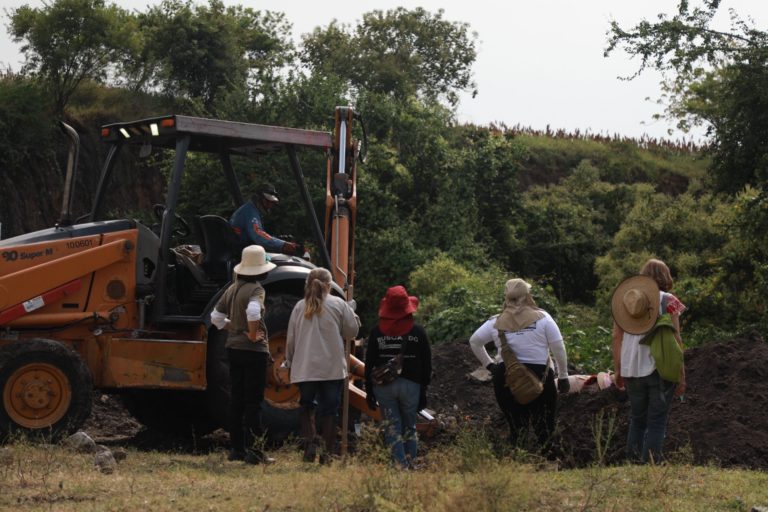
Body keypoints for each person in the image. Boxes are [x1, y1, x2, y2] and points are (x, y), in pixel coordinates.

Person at [469, 278, 569, 450]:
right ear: (527, 295)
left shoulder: (495, 322)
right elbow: (558, 347)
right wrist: (563, 376)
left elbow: (475, 341)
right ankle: (546, 460)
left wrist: (490, 365)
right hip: (541, 375)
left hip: (506, 376)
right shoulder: (544, 318)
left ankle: (518, 462)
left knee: (517, 426)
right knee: (544, 426)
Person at [611, 258, 686, 464]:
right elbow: (676, 338)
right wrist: (681, 375)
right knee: (656, 421)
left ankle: (632, 463)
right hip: (659, 368)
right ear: (666, 277)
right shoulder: (668, 300)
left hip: (631, 369)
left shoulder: (626, 300)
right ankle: (649, 466)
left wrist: (618, 369)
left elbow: (616, 336)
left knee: (637, 420)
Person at [284, 268, 359, 463]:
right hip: (331, 368)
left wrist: (289, 361)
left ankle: (309, 446)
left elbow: (290, 339)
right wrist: (350, 310)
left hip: (305, 368)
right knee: (330, 411)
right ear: (329, 285)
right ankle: (327, 453)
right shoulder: (338, 304)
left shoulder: (300, 307)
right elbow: (352, 332)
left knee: (307, 406)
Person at [210, 245, 276, 465]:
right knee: (254, 402)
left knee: (236, 401)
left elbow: (216, 318)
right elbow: (253, 311)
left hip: (233, 349)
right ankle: (255, 453)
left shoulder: (232, 288)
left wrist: (236, 329)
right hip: (253, 351)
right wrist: (252, 332)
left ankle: (236, 449)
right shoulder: (257, 290)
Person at [364, 285, 432, 469]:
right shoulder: (418, 332)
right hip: (412, 385)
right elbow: (427, 363)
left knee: (392, 427)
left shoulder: (376, 332)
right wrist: (424, 389)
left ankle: (400, 466)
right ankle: (411, 463)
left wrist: (369, 390)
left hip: (384, 386)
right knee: (409, 425)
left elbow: (369, 362)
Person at [230, 183, 300, 255]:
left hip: (245, 250)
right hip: (241, 253)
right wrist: (283, 245)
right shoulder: (250, 211)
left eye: (271, 202)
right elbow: (258, 236)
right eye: (267, 201)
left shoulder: (252, 210)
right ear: (258, 198)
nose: (270, 205)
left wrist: (279, 240)